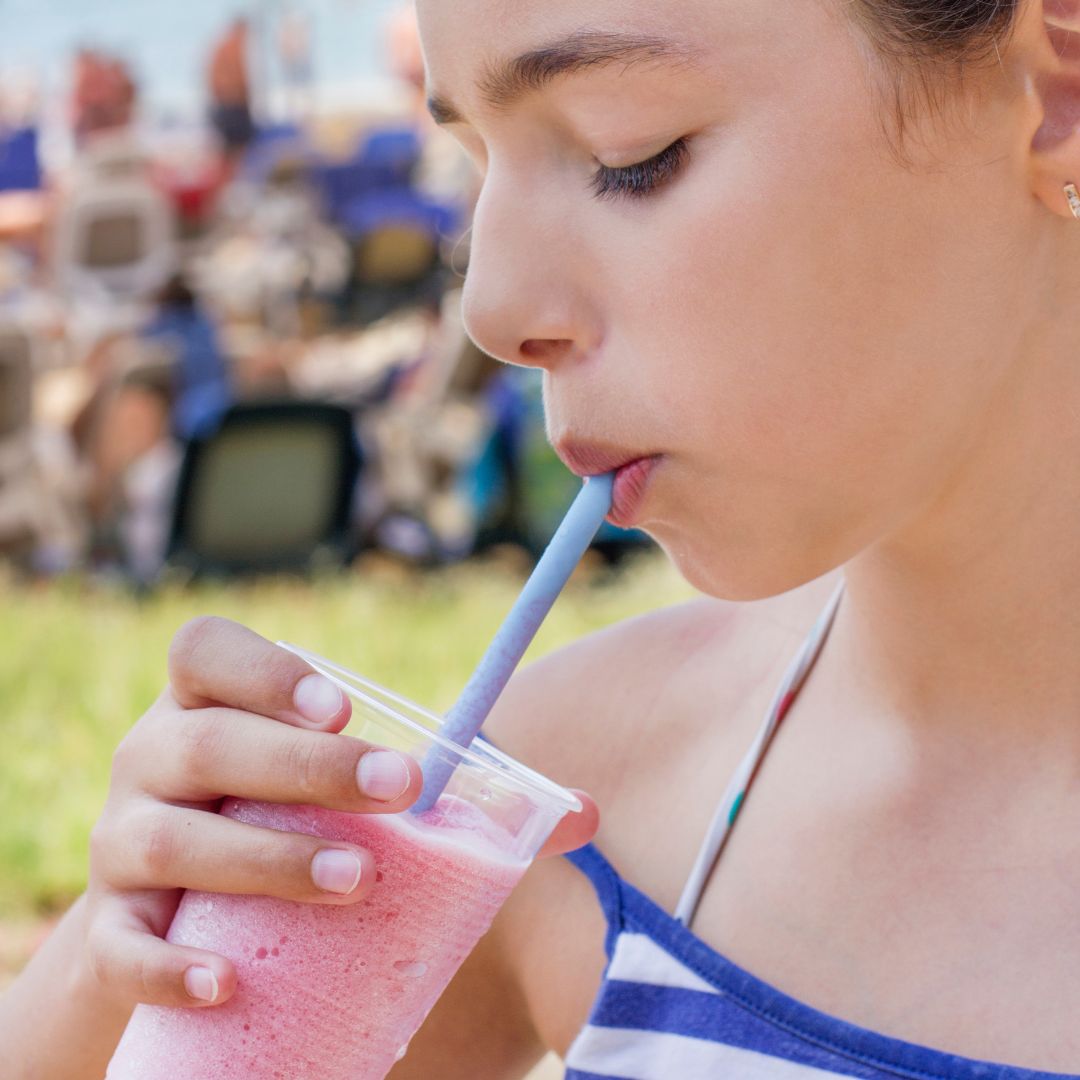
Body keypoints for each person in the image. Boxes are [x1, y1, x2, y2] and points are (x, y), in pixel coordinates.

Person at [4, 0, 1080, 1075]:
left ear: (1059, 87)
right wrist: (116, 962)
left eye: (630, 155)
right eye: (475, 162)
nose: (491, 307)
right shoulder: (567, 802)